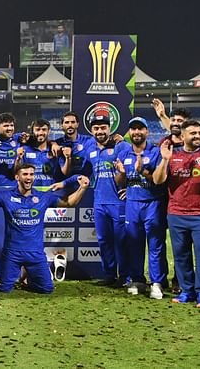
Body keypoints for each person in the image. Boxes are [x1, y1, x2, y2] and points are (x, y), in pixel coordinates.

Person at [0, 164, 89, 294]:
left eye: (31, 174)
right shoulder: (6, 196)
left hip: (35, 254)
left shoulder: (44, 197)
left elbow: (68, 204)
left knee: (47, 289)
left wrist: (82, 188)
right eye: (25, 174)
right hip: (12, 253)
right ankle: (18, 277)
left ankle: (28, 278)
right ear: (17, 177)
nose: (29, 178)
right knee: (3, 290)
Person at [152, 120, 200, 309]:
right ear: (183, 136)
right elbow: (157, 180)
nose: (198, 136)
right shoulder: (172, 154)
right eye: (193, 133)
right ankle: (187, 291)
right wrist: (165, 160)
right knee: (181, 256)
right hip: (176, 214)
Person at [114, 117, 168, 299]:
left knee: (155, 244)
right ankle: (137, 279)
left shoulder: (155, 152)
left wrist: (141, 170)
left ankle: (157, 283)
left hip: (153, 202)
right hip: (132, 204)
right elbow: (119, 181)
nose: (136, 132)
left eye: (140, 129)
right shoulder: (124, 153)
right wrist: (122, 174)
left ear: (147, 132)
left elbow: (159, 179)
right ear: (129, 133)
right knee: (134, 244)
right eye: (133, 129)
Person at [87, 113, 128, 287]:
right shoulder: (90, 148)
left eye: (103, 127)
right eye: (96, 128)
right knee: (104, 240)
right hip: (99, 203)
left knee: (121, 242)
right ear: (91, 131)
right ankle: (109, 275)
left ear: (109, 129)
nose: (100, 131)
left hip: (118, 203)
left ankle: (125, 277)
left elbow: (130, 168)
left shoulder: (121, 146)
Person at [15, 118, 67, 187]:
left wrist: (68, 158)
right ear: (32, 132)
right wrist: (18, 158)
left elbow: (65, 172)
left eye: (44, 130)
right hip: (31, 193)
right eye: (38, 130)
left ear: (49, 131)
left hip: (52, 192)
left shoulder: (56, 150)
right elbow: (17, 172)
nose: (41, 133)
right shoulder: (25, 150)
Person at [0, 112, 24, 188]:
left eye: (11, 125)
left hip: (13, 188)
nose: (9, 128)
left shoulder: (18, 138)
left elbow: (38, 138)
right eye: (6, 126)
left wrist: (53, 143)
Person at [56, 111, 96, 177]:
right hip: (65, 184)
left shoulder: (89, 140)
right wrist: (68, 157)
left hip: (86, 184)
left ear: (77, 124)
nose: (70, 125)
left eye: (73, 122)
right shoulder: (58, 144)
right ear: (62, 126)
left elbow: (103, 140)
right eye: (67, 122)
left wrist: (115, 137)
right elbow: (65, 173)